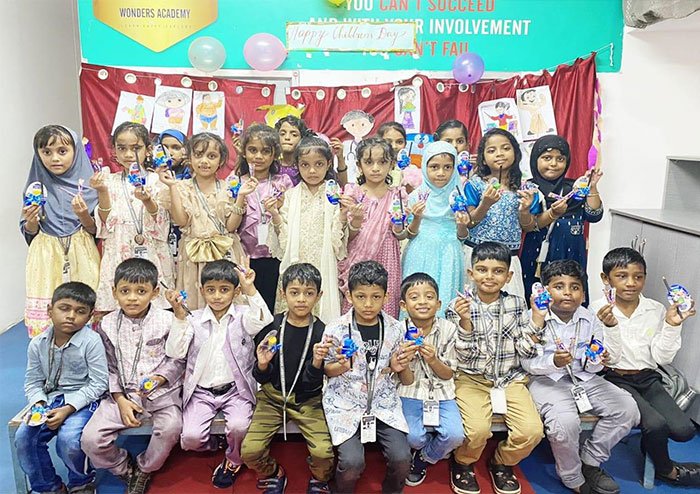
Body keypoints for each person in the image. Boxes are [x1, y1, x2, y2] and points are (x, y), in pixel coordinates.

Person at [522, 260, 639, 494]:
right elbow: (526, 362)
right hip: (546, 379)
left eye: (575, 287)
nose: (568, 292)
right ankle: (572, 476)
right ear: (546, 291)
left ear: (583, 294)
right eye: (559, 286)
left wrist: (597, 360)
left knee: (627, 409)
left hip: (584, 378)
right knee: (565, 424)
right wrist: (553, 362)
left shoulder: (590, 318)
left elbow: (593, 364)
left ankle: (590, 461)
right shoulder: (533, 317)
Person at [591, 247, 700, 487]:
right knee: (655, 424)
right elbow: (609, 359)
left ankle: (650, 444)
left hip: (649, 377)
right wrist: (609, 327)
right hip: (614, 378)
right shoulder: (597, 310)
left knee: (684, 430)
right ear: (605, 278)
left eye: (638, 277)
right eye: (622, 276)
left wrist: (672, 325)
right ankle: (668, 470)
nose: (631, 283)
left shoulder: (655, 309)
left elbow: (662, 357)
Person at [165, 257, 273, 488]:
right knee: (191, 438)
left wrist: (250, 288)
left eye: (224, 290)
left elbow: (264, 319)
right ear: (201, 290)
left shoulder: (243, 315)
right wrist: (179, 316)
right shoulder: (192, 318)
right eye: (211, 290)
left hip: (236, 390)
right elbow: (175, 351)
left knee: (239, 427)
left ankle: (233, 459)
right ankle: (215, 443)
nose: (217, 296)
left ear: (235, 292)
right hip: (201, 392)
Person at [446, 241, 545, 494]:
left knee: (532, 431)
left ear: (508, 276)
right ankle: (463, 462)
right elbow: (462, 355)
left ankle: (502, 461)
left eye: (498, 271)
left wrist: (537, 320)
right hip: (471, 379)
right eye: (482, 270)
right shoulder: (457, 306)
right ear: (471, 273)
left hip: (510, 379)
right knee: (476, 430)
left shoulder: (517, 304)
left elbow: (526, 351)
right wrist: (465, 322)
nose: (489, 276)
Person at [81, 258, 185, 494]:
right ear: (114, 291)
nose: (132, 298)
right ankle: (123, 467)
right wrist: (120, 399)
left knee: (172, 427)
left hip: (162, 394)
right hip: (122, 395)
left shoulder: (168, 320)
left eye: (141, 291)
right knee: (90, 439)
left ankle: (145, 467)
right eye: (125, 291)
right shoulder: (106, 324)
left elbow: (178, 359)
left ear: (155, 292)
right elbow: (108, 367)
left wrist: (160, 378)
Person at [323, 260, 417, 494]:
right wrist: (342, 365)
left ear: (386, 297)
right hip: (345, 403)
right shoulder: (336, 329)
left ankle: (391, 490)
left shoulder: (396, 329)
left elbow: (407, 380)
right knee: (352, 463)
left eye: (375, 297)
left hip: (383, 402)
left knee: (402, 458)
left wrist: (399, 367)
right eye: (361, 296)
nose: (368, 304)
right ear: (349, 296)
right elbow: (326, 371)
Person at [241, 263, 335, 494]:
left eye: (309, 293)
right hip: (272, 398)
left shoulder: (322, 332)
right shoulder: (271, 327)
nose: (301, 299)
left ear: (319, 296)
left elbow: (313, 384)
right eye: (294, 292)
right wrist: (263, 364)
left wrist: (316, 363)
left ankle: (319, 479)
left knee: (324, 453)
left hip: (307, 400)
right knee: (250, 452)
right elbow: (260, 377)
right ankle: (274, 473)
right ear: (283, 294)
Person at [15, 282, 108, 494]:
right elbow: (32, 381)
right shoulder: (37, 343)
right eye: (64, 308)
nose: (71, 316)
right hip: (49, 399)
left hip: (84, 400)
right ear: (50, 310)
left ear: (90, 316)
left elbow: (99, 383)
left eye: (80, 311)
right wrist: (39, 403)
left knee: (69, 440)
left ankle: (82, 482)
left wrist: (68, 408)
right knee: (24, 438)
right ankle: (49, 486)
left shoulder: (91, 342)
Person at [21, 125, 100, 336]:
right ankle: (48, 353)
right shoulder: (36, 187)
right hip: (46, 257)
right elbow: (29, 233)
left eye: (62, 151)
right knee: (49, 311)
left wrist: (84, 216)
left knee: (84, 305)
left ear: (76, 151)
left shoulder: (90, 187)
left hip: (82, 253)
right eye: (47, 152)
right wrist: (31, 221)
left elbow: (96, 231)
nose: (55, 158)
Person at [91, 122, 174, 312]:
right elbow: (105, 223)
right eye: (122, 148)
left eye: (136, 148)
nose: (128, 154)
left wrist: (147, 201)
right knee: (120, 306)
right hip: (119, 250)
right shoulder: (108, 180)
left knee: (154, 309)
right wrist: (102, 191)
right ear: (114, 150)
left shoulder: (158, 180)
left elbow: (162, 224)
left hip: (151, 251)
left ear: (148, 149)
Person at [267, 136, 349, 324]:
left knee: (322, 320)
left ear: (328, 164)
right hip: (295, 264)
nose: (312, 171)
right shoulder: (290, 196)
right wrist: (275, 214)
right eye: (305, 165)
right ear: (297, 165)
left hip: (324, 266)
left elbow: (337, 243)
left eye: (319, 164)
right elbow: (284, 241)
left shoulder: (334, 195)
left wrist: (343, 215)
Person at [158, 132, 246, 309]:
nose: (204, 161)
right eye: (198, 155)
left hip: (225, 253)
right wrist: (172, 187)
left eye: (211, 156)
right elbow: (182, 221)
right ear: (189, 158)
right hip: (194, 256)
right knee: (194, 305)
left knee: (228, 306)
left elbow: (231, 227)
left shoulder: (229, 187)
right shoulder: (181, 187)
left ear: (221, 160)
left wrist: (241, 197)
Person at [398, 273, 466, 486]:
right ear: (403, 305)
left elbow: (448, 374)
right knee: (413, 437)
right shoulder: (398, 331)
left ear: (438, 304)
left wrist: (434, 360)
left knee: (455, 435)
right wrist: (404, 361)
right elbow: (405, 382)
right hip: (410, 391)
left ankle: (424, 457)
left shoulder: (449, 329)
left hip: (441, 392)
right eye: (414, 297)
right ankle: (428, 449)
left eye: (429, 297)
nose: (422, 302)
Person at [521, 135, 604, 304]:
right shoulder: (529, 189)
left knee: (571, 300)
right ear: (535, 160)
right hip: (538, 256)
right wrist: (552, 213)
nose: (553, 164)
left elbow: (594, 215)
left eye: (560, 159)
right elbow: (527, 224)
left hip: (572, 254)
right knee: (537, 301)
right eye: (547, 158)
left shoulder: (575, 188)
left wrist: (592, 187)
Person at [459, 128, 542, 298]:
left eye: (506, 148)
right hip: (476, 255)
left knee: (510, 306)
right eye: (491, 150)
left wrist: (524, 211)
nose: (499, 154)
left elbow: (528, 227)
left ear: (516, 153)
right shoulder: (474, 185)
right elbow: (470, 222)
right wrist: (485, 204)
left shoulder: (526, 188)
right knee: (472, 306)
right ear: (483, 158)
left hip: (508, 259)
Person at [338, 137, 408, 318]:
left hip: (387, 256)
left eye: (382, 162)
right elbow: (347, 237)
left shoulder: (397, 195)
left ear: (392, 164)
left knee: (385, 302)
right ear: (359, 166)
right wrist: (356, 221)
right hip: (357, 258)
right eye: (369, 162)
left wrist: (398, 223)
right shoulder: (352, 192)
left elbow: (400, 234)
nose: (376, 168)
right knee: (356, 303)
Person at [229, 124, 293, 312]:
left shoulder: (283, 182)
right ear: (243, 152)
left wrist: (279, 208)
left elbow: (289, 220)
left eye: (265, 151)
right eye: (253, 150)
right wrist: (240, 197)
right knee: (249, 307)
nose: (258, 156)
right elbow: (230, 225)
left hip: (277, 256)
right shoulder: (236, 182)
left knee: (273, 306)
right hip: (246, 256)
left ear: (275, 155)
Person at [402, 141, 465, 316]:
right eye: (434, 167)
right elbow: (410, 234)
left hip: (450, 253)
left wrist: (462, 224)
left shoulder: (459, 196)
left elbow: (463, 236)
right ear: (424, 167)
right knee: (418, 299)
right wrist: (417, 217)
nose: (441, 173)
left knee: (446, 297)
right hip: (420, 252)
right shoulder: (416, 196)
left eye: (447, 167)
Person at [377, 121, 421, 192]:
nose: (394, 146)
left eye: (399, 142)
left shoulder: (412, 171)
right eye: (388, 142)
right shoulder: (373, 168)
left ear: (405, 144)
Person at [275, 115, 313, 186]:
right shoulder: (272, 166)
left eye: (294, 135)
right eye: (282, 134)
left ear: (302, 138)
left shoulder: (307, 167)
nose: (287, 138)